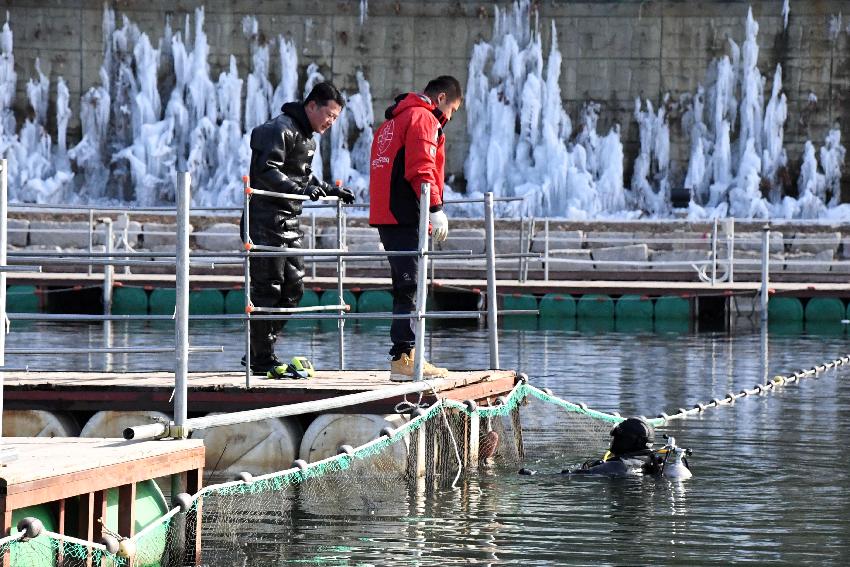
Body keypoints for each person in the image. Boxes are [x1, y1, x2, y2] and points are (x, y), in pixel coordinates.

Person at [242, 81, 355, 378]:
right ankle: (261, 356)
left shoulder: (308, 139)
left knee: (294, 288)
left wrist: (330, 191)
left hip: (290, 222)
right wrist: (299, 188)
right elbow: (267, 171)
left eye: (334, 119)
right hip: (265, 220)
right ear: (312, 105)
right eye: (328, 115)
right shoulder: (279, 128)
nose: (330, 123)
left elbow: (304, 177)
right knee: (268, 289)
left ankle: (258, 349)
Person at [368, 76, 463, 381]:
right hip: (405, 213)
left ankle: (409, 354)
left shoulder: (393, 122)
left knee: (407, 285)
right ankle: (404, 358)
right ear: (441, 98)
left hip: (391, 213)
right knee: (410, 286)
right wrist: (435, 209)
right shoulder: (422, 118)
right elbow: (421, 168)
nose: (449, 117)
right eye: (452, 108)